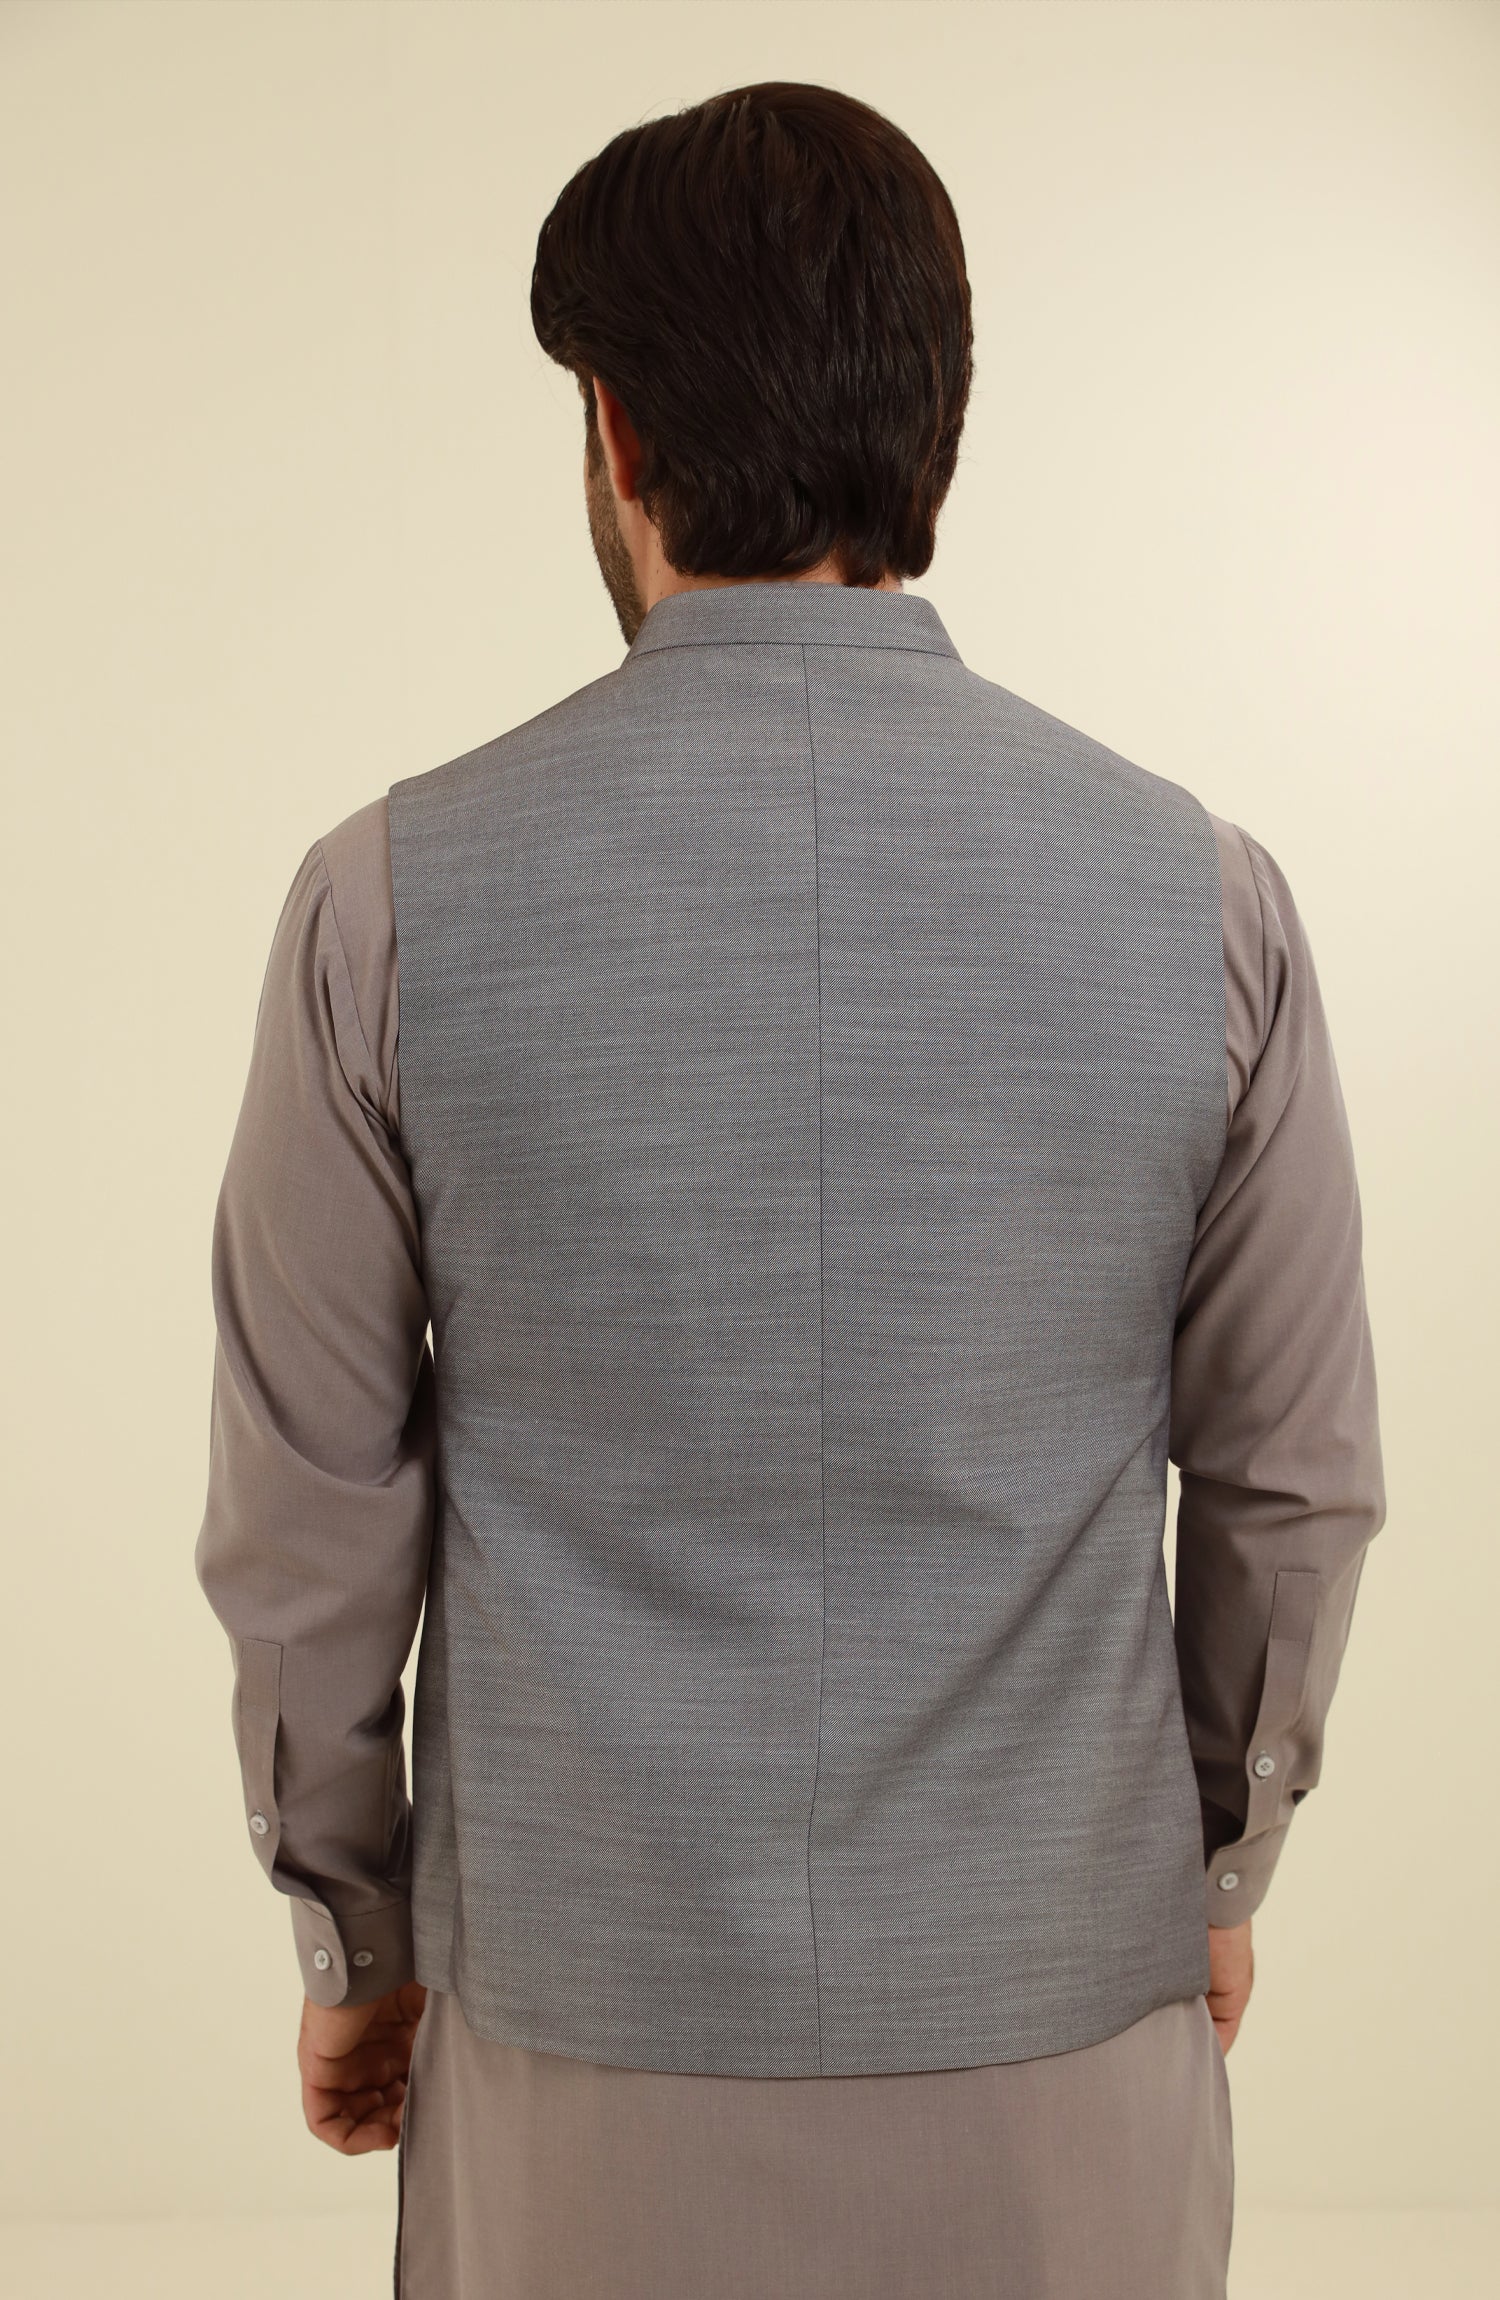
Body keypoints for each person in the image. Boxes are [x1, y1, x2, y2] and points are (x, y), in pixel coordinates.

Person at [195, 81, 1385, 2300]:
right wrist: (1212, 1869)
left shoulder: (387, 904)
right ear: (936, 425)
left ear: (617, 432)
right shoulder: (1206, 903)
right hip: (1062, 2051)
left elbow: (308, 1522)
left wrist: (354, 1933)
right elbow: (1293, 1487)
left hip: (575, 2058)